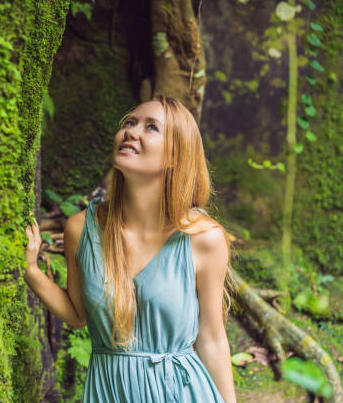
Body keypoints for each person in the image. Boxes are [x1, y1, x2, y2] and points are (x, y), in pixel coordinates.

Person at [24, 94, 237, 402]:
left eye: (151, 127)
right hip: (110, 391)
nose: (131, 132)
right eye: (129, 122)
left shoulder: (204, 238)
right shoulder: (81, 228)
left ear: (177, 155)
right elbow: (77, 315)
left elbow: (212, 339)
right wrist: (31, 270)